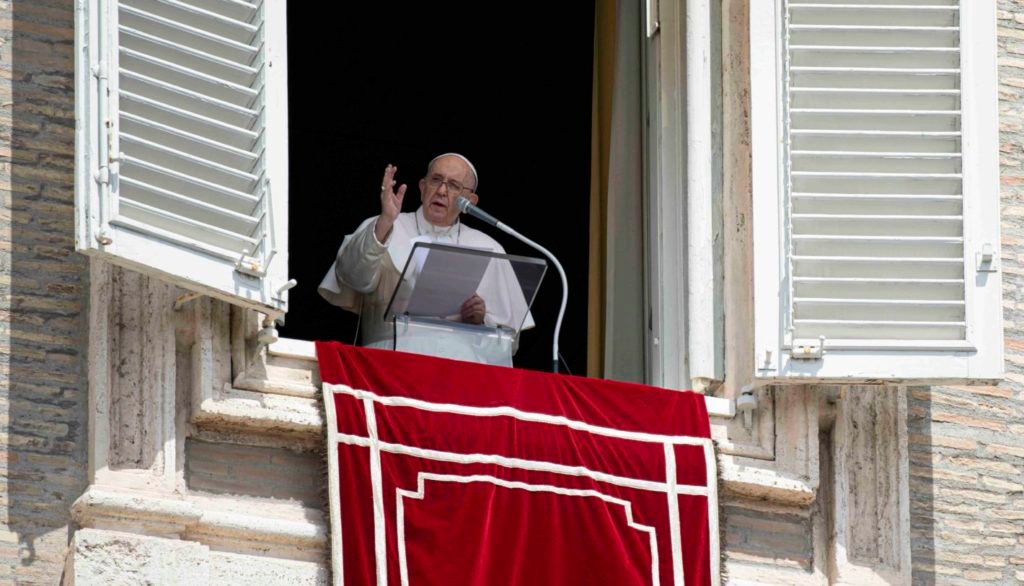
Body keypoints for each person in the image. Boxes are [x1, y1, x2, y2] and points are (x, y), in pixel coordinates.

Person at [318, 153, 534, 356]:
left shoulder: (489, 247)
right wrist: (385, 221)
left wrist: (480, 322)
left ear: (470, 200)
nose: (441, 190)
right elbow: (352, 276)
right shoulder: (386, 226)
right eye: (436, 180)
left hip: (459, 371)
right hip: (387, 362)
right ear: (422, 187)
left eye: (453, 185)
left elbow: (508, 347)